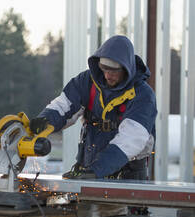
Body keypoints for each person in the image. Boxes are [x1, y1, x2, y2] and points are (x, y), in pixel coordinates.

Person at [30, 35, 157, 180]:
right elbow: (63, 106)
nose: (108, 75)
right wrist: (44, 121)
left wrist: (97, 170)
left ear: (126, 68)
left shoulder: (143, 95)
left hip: (127, 174)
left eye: (114, 71)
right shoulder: (87, 81)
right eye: (104, 68)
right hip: (89, 167)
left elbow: (131, 140)